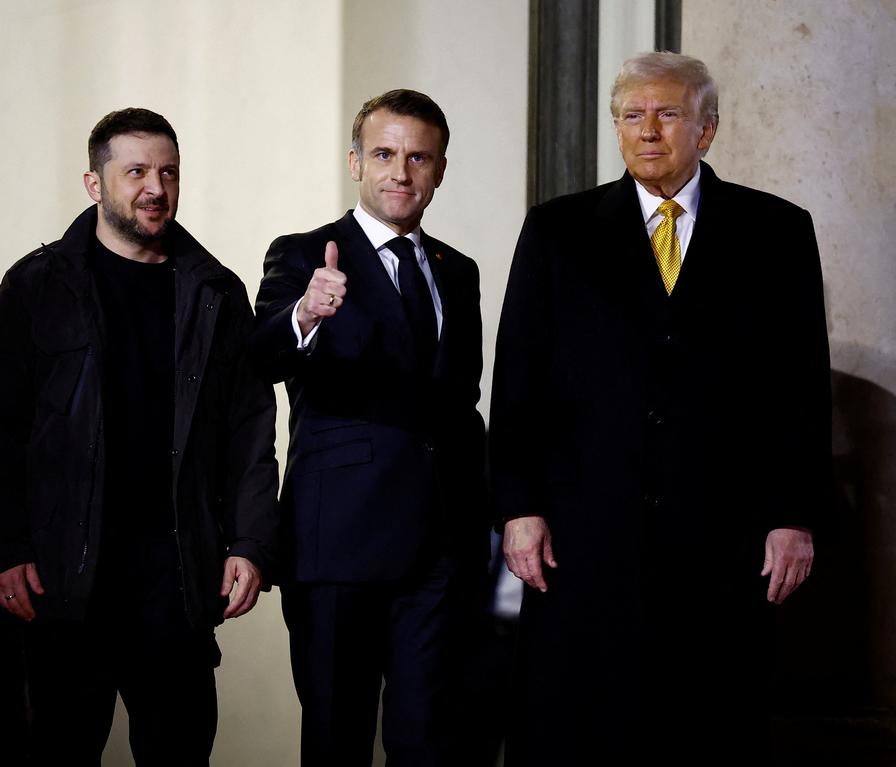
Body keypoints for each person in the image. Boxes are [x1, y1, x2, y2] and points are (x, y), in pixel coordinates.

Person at [491, 52, 830, 765]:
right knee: (584, 730)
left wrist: (793, 514)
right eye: (632, 115)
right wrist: (517, 507)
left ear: (706, 129)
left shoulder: (777, 231)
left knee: (709, 727)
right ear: (615, 127)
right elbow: (518, 380)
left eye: (668, 113)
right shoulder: (558, 231)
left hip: (723, 539)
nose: (649, 130)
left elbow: (799, 389)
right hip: (584, 537)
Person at [0, 107, 280, 766]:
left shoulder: (216, 291)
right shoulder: (37, 284)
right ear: (93, 182)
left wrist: (250, 542)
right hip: (64, 582)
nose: (155, 187)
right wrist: (3, 547)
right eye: (135, 170)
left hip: (177, 585)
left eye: (167, 172)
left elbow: (249, 429)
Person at [252, 89, 489, 765]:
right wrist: (306, 313)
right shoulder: (304, 255)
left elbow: (459, 406)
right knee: (338, 738)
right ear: (354, 161)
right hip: (338, 545)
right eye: (384, 153)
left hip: (441, 551)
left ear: (441, 169)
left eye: (419, 157)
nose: (401, 171)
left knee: (429, 740)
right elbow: (260, 354)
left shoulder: (458, 272)